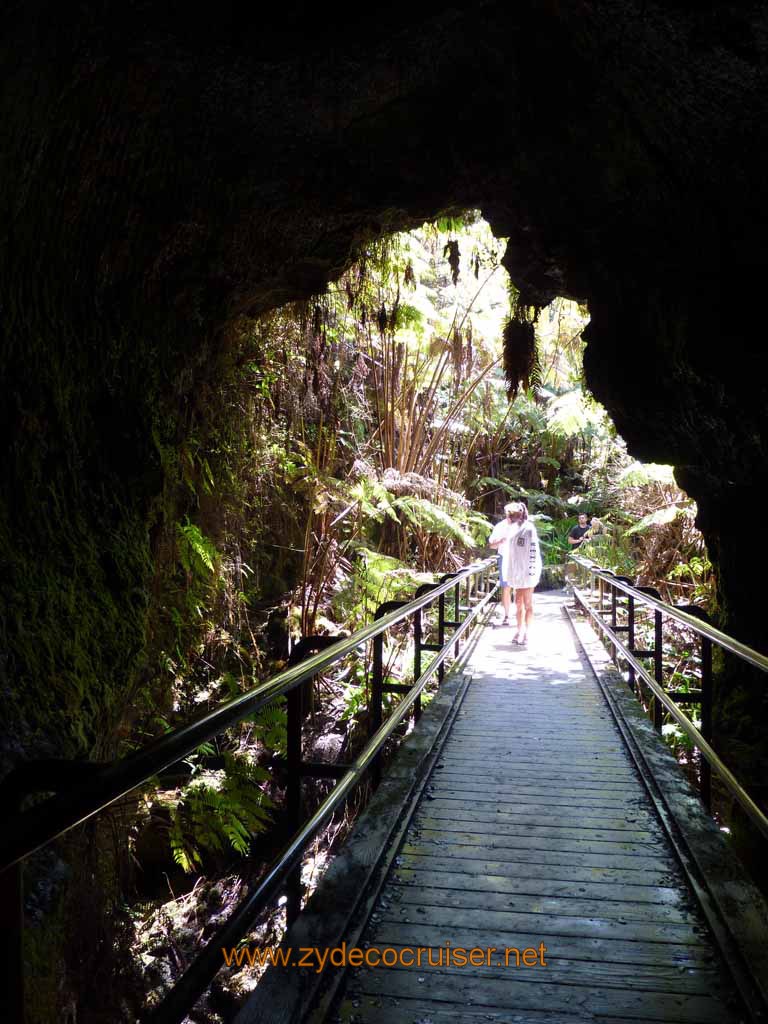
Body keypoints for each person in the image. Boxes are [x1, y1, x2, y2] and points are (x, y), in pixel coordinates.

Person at [505, 502, 542, 645]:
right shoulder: (513, 529)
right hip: (515, 572)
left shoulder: (529, 528)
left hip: (527, 572)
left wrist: (532, 571)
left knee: (527, 603)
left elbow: (533, 551)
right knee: (518, 603)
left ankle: (527, 632)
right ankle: (518, 630)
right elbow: (511, 553)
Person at [488, 502, 520, 625]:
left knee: (519, 588)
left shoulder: (521, 526)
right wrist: (501, 541)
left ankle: (518, 614)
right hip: (505, 558)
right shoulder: (500, 526)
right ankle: (507, 615)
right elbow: (491, 545)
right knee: (506, 587)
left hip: (518, 559)